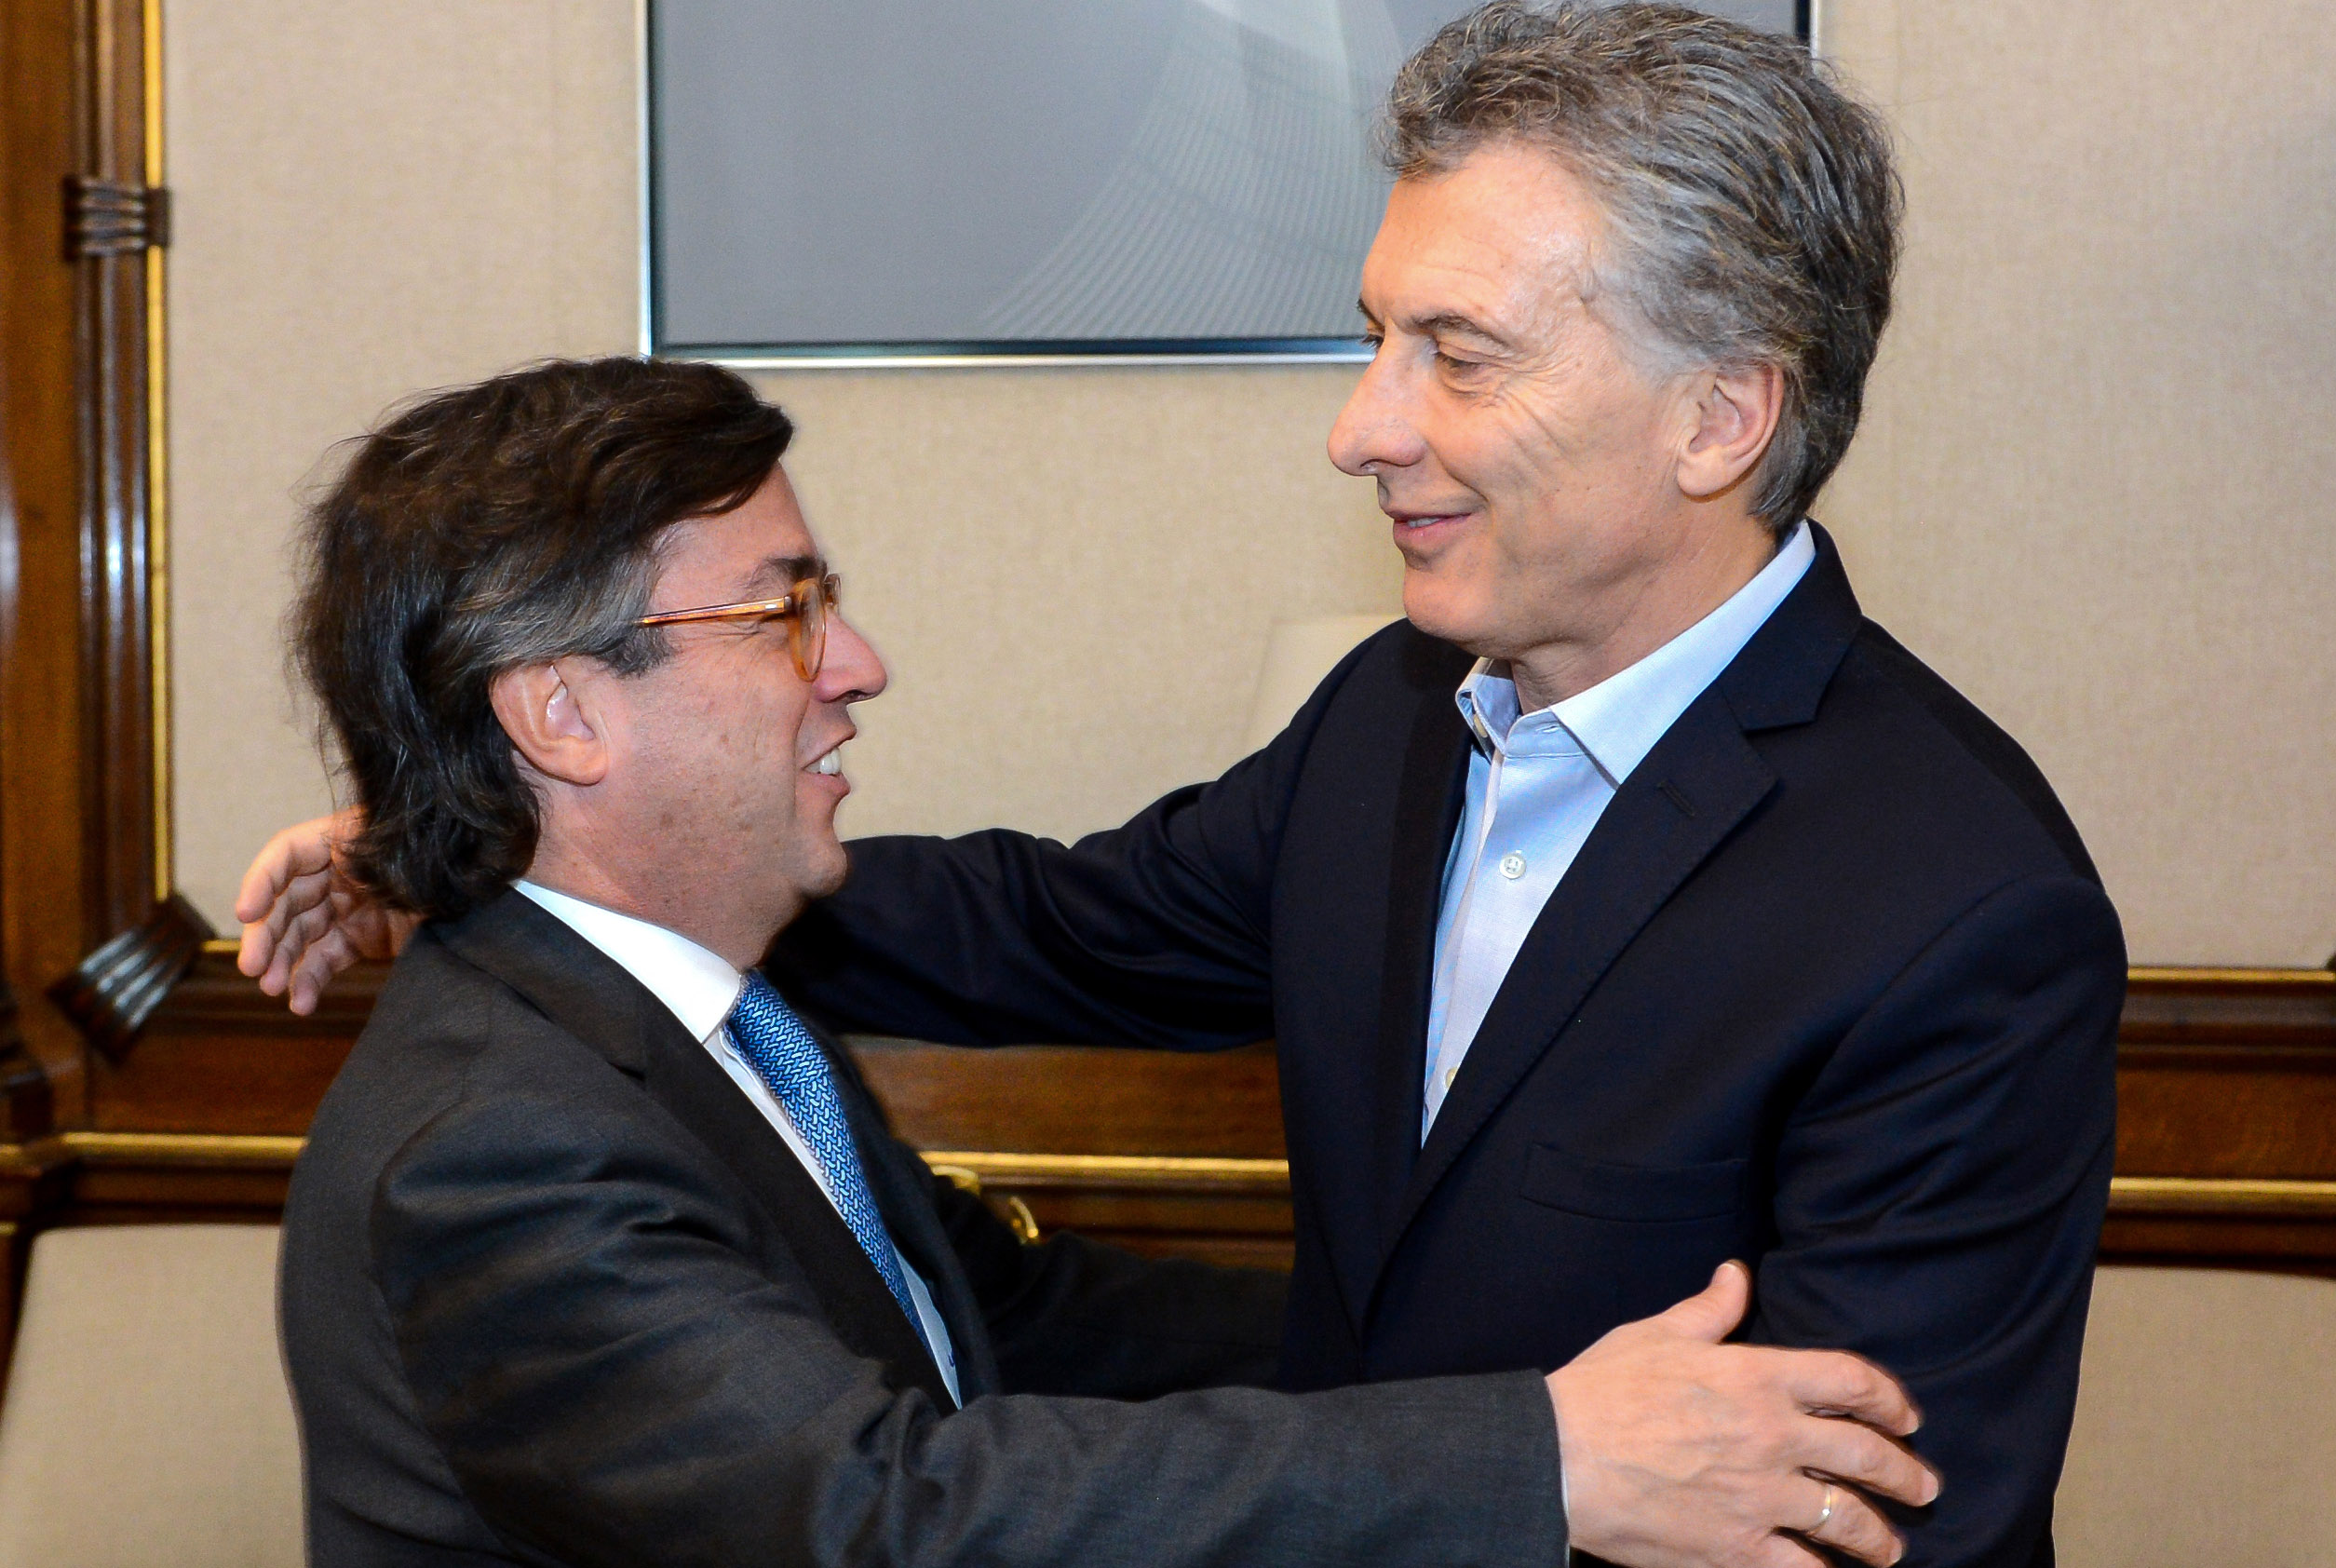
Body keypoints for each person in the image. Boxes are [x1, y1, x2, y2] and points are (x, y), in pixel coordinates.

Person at [270, 354, 1935, 1567]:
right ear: (561, 714)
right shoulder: (498, 1143)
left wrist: (1528, 1375)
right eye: (779, 610)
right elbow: (878, 1510)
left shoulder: (699, 1019)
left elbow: (1003, 1316)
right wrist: (1540, 1455)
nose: (857, 663)